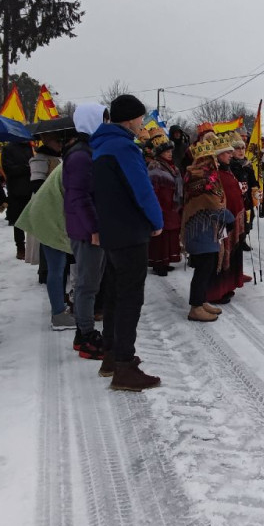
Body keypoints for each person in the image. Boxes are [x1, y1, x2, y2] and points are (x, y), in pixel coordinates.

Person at [91, 94, 164, 391]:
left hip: (111, 231)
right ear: (130, 118)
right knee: (130, 299)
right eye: (140, 118)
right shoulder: (124, 147)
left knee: (113, 294)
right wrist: (156, 221)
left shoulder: (100, 146)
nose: (142, 123)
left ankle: (111, 356)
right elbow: (142, 189)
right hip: (130, 232)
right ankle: (124, 364)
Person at [63, 104, 109, 358]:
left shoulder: (88, 150)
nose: (104, 123)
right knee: (87, 284)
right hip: (86, 230)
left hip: (91, 226)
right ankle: (85, 334)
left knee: (92, 282)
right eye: (101, 119)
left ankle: (85, 330)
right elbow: (79, 197)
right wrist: (93, 228)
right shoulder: (81, 155)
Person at [16, 157, 76, 330]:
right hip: (49, 217)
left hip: (47, 213)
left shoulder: (73, 160)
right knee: (57, 268)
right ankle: (58, 315)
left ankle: (60, 309)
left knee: (57, 267)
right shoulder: (79, 163)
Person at [182, 139, 234, 322]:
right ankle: (195, 307)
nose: (217, 161)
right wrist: (229, 218)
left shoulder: (204, 175)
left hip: (205, 228)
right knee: (203, 268)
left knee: (207, 266)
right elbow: (213, 203)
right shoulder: (202, 177)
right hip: (201, 228)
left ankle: (201, 300)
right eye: (214, 158)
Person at [206, 134, 246, 304]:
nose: (231, 155)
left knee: (233, 253)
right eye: (227, 153)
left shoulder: (227, 170)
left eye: (231, 152)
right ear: (217, 155)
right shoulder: (213, 174)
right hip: (221, 221)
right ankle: (217, 291)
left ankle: (228, 285)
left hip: (233, 221)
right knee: (221, 256)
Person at [144, 128, 183, 276]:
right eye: (167, 151)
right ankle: (158, 263)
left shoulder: (173, 167)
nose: (170, 153)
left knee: (170, 235)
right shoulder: (155, 166)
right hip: (162, 204)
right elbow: (152, 189)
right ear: (160, 153)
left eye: (170, 151)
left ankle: (166, 262)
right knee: (161, 237)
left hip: (172, 205)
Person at [27, 134, 63, 278]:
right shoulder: (40, 158)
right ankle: (45, 270)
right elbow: (37, 183)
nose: (60, 144)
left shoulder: (60, 156)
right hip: (45, 201)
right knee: (44, 237)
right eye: (57, 140)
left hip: (57, 200)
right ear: (47, 141)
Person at [0, 140, 34, 260]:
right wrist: (26, 168)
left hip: (31, 188)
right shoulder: (8, 148)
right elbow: (8, 169)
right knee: (18, 221)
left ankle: (32, 247)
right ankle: (20, 247)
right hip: (16, 190)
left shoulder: (31, 147)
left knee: (33, 220)